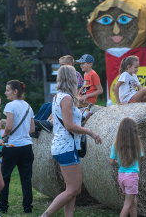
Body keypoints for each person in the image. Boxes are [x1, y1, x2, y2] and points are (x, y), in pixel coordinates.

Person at [40, 65, 102, 217]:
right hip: (65, 147)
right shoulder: (66, 98)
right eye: (76, 77)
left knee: (71, 189)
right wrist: (91, 132)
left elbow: (65, 119)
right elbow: (69, 125)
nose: (78, 80)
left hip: (64, 146)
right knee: (74, 189)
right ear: (71, 79)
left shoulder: (59, 96)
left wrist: (82, 115)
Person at [0, 80, 35, 214]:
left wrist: (2, 136)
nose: (5, 93)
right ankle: (28, 208)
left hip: (13, 146)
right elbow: (32, 129)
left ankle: (3, 206)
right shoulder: (28, 106)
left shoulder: (10, 106)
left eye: (7, 90)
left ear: (15, 91)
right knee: (26, 178)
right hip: (27, 147)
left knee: (4, 177)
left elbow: (8, 126)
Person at [33, 55, 84, 135]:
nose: (61, 67)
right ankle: (34, 125)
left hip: (71, 99)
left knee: (50, 106)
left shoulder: (75, 75)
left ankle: (40, 126)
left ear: (70, 64)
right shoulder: (65, 75)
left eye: (63, 65)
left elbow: (76, 91)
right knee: (45, 106)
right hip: (65, 97)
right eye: (60, 65)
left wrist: (62, 97)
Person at [109, 117, 145, 217]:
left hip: (122, 177)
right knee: (128, 204)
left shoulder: (115, 145)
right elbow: (142, 158)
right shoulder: (136, 145)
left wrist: (119, 162)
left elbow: (111, 162)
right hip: (131, 177)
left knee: (133, 201)